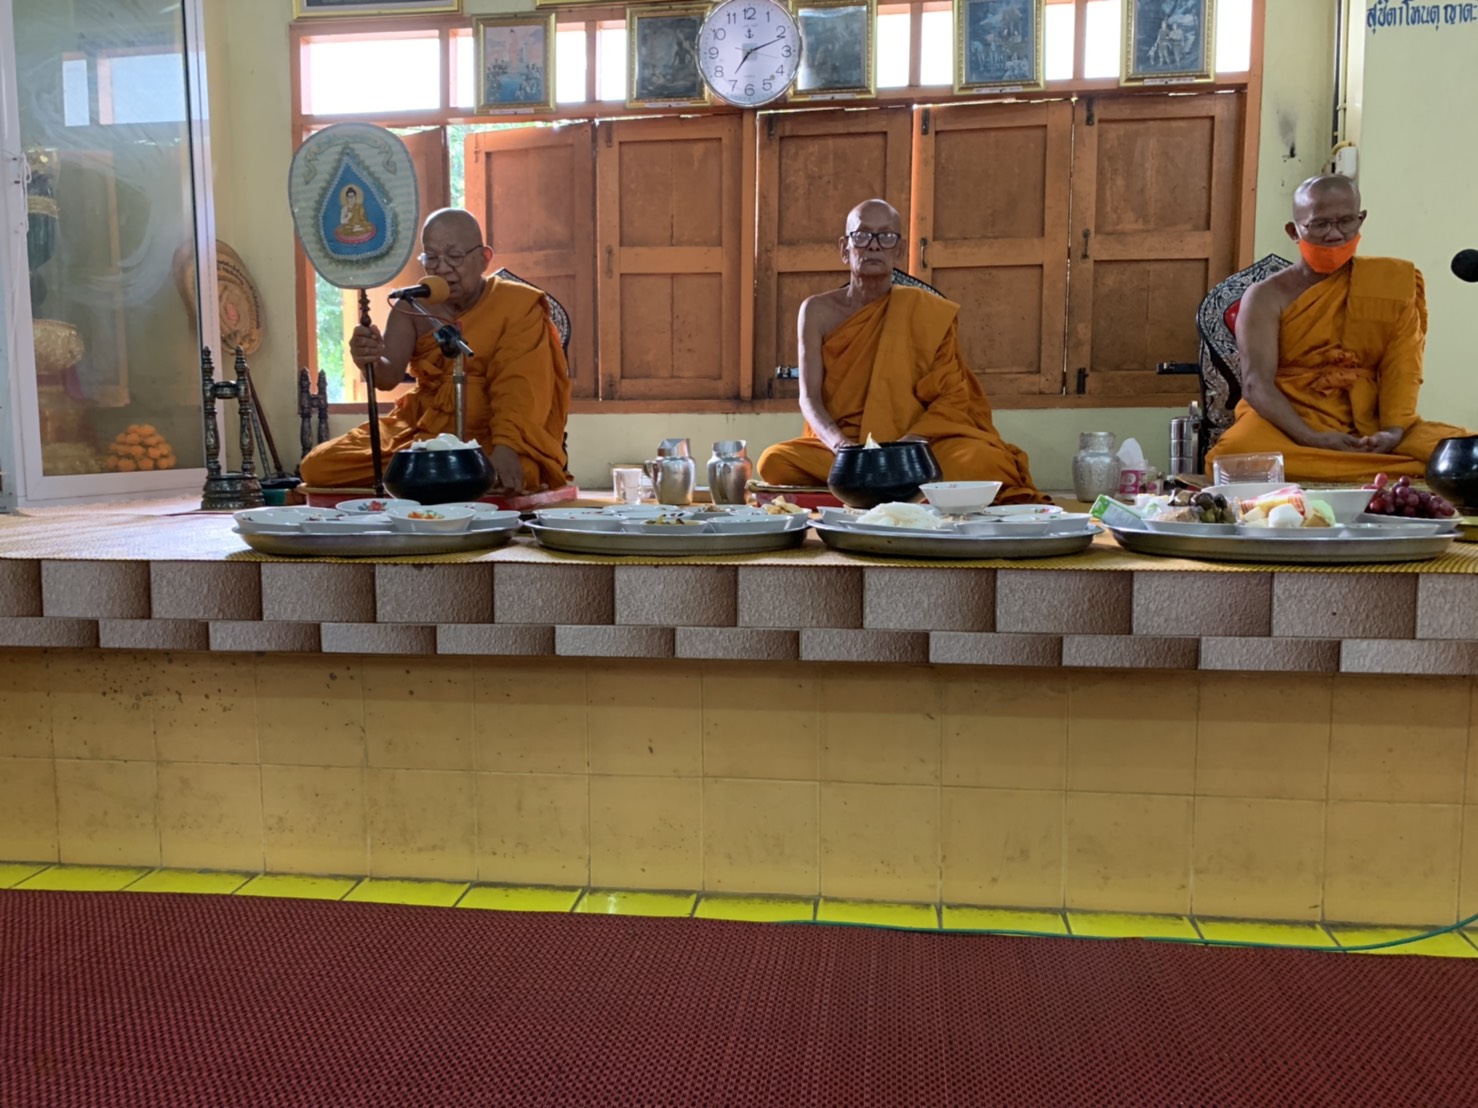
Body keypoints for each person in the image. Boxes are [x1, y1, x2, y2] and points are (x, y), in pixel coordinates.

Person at [756, 198, 1045, 503]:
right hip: (850, 445)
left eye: (886, 236)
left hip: (916, 445)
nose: (874, 245)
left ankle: (862, 489)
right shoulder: (816, 311)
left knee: (982, 462)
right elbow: (809, 398)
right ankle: (907, 490)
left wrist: (906, 448)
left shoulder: (926, 311)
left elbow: (952, 397)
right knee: (774, 461)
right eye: (862, 235)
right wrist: (842, 448)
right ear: (845, 248)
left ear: (899, 250)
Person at [1206, 174, 1469, 483]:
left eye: (1346, 222)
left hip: (1369, 422)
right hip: (1289, 421)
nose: (1335, 234)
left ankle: (1366, 465)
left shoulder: (1394, 283)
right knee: (1235, 457)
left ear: (1361, 219)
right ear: (1293, 231)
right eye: (1320, 224)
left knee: (1465, 454)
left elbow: (1401, 368)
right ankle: (1381, 473)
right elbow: (1256, 385)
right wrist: (1310, 437)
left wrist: (1393, 431)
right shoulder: (1266, 296)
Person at [300, 208, 571, 495]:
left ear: (484, 258)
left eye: (454, 256)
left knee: (518, 470)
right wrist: (369, 358)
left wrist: (508, 447)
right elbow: (387, 377)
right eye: (431, 258)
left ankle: (425, 481)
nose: (441, 268)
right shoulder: (411, 305)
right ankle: (439, 478)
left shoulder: (517, 305)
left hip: (491, 433)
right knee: (319, 466)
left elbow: (522, 385)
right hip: (423, 432)